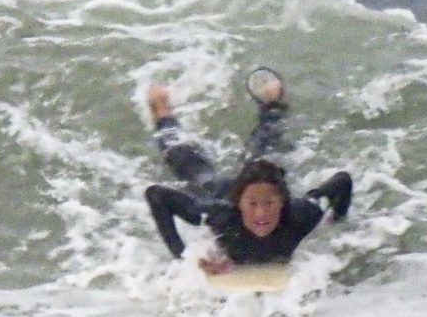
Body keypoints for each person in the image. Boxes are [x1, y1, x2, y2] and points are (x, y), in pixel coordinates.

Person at [143, 68, 354, 271]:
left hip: (255, 186)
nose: (261, 214)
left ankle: (272, 105)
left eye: (270, 203)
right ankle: (162, 111)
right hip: (218, 189)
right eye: (252, 205)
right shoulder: (222, 216)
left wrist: (334, 223)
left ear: (283, 202)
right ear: (239, 205)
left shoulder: (301, 215)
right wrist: (185, 258)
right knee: (187, 163)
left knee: (265, 153)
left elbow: (342, 182)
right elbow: (156, 196)